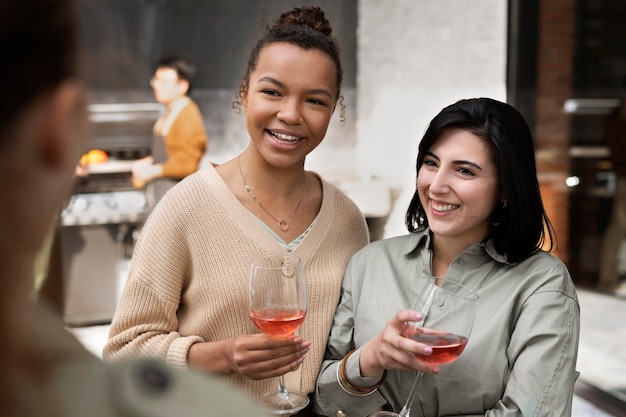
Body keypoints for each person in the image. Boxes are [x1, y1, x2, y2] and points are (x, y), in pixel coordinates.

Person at [103, 5, 370, 414]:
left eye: (314, 100)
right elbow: (122, 352)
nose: (290, 114)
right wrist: (220, 357)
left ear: (333, 110)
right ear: (244, 93)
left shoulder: (348, 221)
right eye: (272, 91)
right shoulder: (186, 208)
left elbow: (346, 354)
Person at [0, 0, 260, 415]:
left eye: (162, 79)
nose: (156, 85)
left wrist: (153, 167)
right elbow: (125, 345)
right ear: (62, 126)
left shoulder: (186, 120)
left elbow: (185, 159)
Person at [313, 98, 580, 417]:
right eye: (430, 163)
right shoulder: (370, 263)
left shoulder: (543, 285)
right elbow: (323, 397)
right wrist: (369, 359)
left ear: (507, 188)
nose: (436, 186)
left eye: (465, 171)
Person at [132, 56, 208, 206]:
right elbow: (169, 154)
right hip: (163, 195)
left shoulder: (188, 115)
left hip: (178, 199)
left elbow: (187, 163)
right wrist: (148, 162)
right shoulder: (170, 113)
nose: (157, 86)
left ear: (183, 86)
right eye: (155, 80)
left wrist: (153, 171)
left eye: (163, 82)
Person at [598, 100, 626, 292]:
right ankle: (609, 279)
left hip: (623, 174)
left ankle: (609, 279)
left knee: (617, 228)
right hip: (625, 175)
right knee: (618, 228)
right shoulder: (619, 115)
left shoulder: (617, 114)